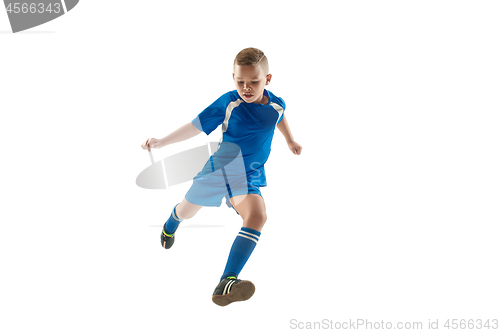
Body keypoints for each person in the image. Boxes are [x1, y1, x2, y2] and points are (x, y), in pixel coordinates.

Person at [141, 47, 302, 306]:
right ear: (233, 78)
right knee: (187, 210)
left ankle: (227, 281)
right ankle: (172, 222)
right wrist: (162, 142)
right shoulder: (229, 102)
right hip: (221, 169)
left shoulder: (277, 104)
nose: (246, 88)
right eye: (240, 82)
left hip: (248, 175)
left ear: (268, 80)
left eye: (254, 82)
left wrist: (290, 140)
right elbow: (195, 126)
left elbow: (279, 117)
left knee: (258, 216)